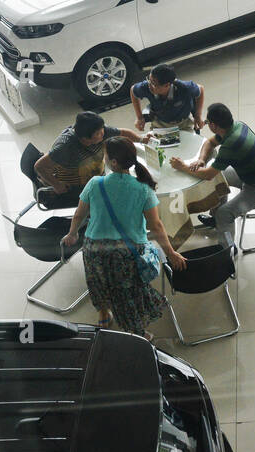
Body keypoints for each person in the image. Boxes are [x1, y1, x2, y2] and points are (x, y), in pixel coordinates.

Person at [63, 136, 186, 337]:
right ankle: (138, 334)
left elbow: (79, 214)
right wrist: (170, 253)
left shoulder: (95, 183)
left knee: (98, 283)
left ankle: (103, 315)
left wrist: (72, 233)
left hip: (94, 249)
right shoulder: (143, 189)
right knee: (127, 294)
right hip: (127, 253)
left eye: (105, 155)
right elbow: (156, 225)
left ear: (113, 162)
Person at [169, 103, 255, 246]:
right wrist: (201, 160)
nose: (207, 124)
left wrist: (183, 167)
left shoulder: (231, 144)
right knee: (218, 178)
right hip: (253, 174)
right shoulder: (236, 126)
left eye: (208, 122)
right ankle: (215, 219)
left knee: (225, 213)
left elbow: (208, 174)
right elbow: (210, 142)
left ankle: (227, 249)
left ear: (214, 126)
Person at [34, 111, 143, 196]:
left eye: (102, 129)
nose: (103, 133)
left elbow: (123, 133)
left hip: (96, 180)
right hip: (76, 189)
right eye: (99, 133)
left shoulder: (99, 130)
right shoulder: (65, 146)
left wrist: (141, 139)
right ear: (85, 138)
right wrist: (57, 185)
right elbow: (39, 166)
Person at [130, 64, 204, 132]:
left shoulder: (185, 87)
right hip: (160, 124)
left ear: (167, 85)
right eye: (149, 80)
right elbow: (133, 90)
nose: (149, 85)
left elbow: (200, 89)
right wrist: (139, 117)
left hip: (183, 124)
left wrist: (198, 115)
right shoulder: (147, 86)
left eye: (153, 83)